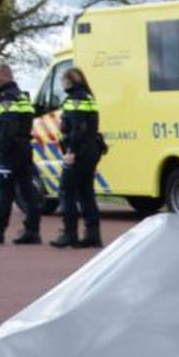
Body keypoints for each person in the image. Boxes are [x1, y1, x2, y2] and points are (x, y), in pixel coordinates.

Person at [49, 66, 104, 250]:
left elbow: (78, 128)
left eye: (63, 80)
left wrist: (71, 151)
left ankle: (69, 233)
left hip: (79, 152)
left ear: (69, 81)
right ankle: (92, 234)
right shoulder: (88, 97)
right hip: (92, 150)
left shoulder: (74, 100)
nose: (62, 84)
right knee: (86, 192)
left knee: (66, 190)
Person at [0, 62, 42, 245]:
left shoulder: (6, 98)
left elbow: (8, 126)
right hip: (24, 148)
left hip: (11, 150)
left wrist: (0, 148)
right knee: (28, 190)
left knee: (4, 191)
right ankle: (32, 230)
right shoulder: (22, 96)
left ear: (3, 76)